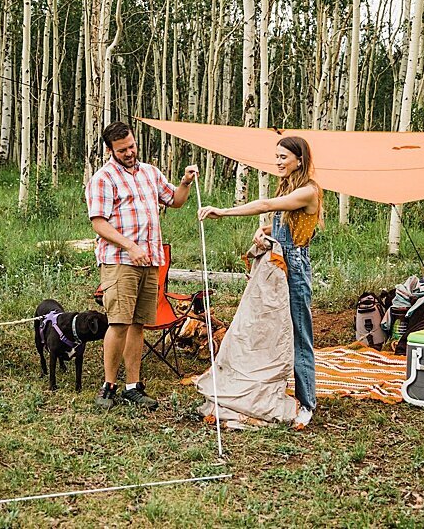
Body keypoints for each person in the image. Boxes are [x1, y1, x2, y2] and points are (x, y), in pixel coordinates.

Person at [199, 136, 323, 428]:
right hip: (277, 264)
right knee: (270, 330)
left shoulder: (308, 190)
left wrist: (224, 211)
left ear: (300, 160)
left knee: (298, 336)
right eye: (277, 157)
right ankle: (271, 391)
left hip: (293, 268)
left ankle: (307, 404)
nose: (279, 162)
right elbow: (284, 222)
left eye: (284, 157)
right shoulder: (290, 187)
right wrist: (264, 230)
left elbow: (267, 204)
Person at [86, 122, 198, 409]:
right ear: (110, 150)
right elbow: (99, 222)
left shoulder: (149, 172)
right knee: (119, 322)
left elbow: (175, 200)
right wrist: (130, 246)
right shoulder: (104, 178)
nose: (130, 152)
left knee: (138, 324)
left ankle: (133, 386)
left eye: (132, 146)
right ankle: (108, 387)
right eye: (122, 150)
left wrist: (184, 181)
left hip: (150, 260)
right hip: (121, 261)